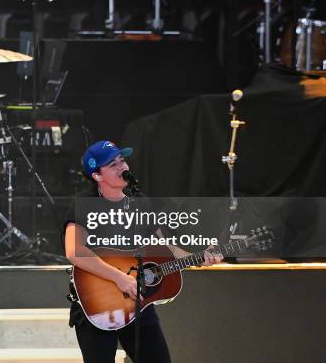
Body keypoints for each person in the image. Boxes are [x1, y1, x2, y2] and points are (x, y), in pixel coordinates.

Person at [64, 140, 222, 363]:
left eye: (122, 160)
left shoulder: (141, 203)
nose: (122, 167)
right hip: (96, 303)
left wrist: (196, 257)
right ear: (97, 175)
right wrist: (119, 278)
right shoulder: (84, 203)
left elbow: (164, 248)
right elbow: (75, 251)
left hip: (138, 301)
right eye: (113, 164)